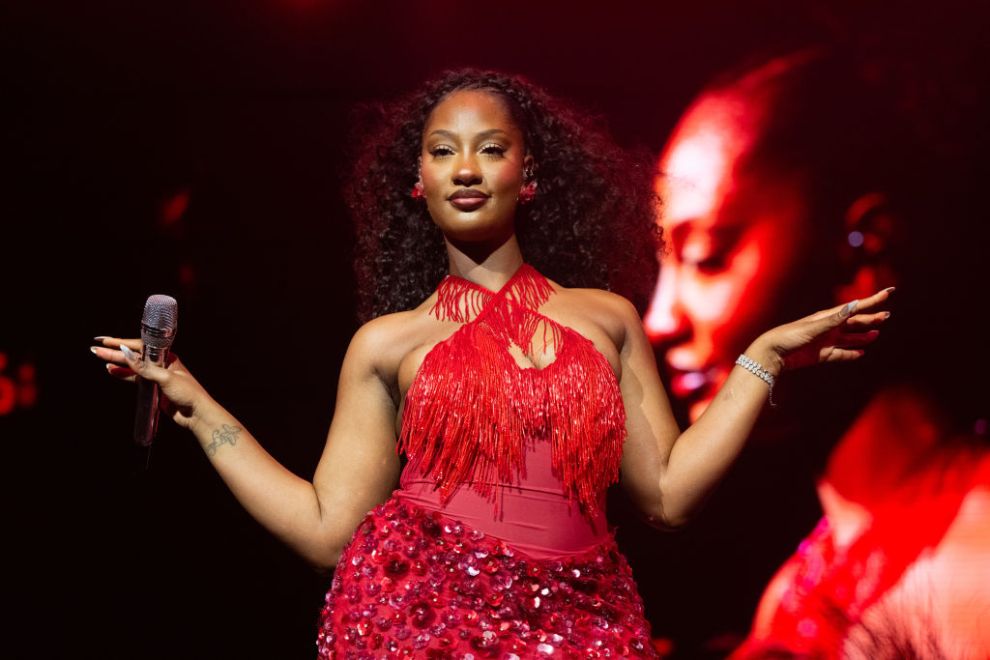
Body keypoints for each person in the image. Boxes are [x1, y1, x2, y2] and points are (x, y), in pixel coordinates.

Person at [92, 69, 891, 658]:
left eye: (489, 149)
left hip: (586, 627)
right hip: (414, 626)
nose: (466, 169)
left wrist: (759, 361)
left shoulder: (608, 321)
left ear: (529, 174)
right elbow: (327, 530)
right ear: (419, 182)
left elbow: (671, 498)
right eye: (443, 153)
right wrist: (196, 406)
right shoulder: (388, 343)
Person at [646, 50, 990, 657]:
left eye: (705, 258)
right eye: (661, 265)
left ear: (859, 255)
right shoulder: (799, 589)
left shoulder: (974, 566)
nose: (659, 321)